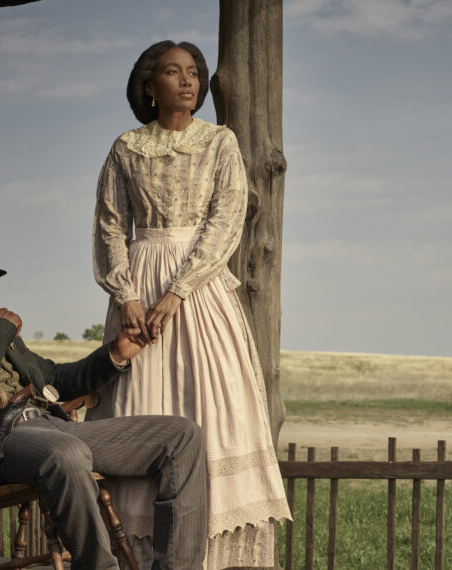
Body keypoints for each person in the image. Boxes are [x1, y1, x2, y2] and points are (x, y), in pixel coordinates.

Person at [0, 233, 207, 570]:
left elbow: (54, 378)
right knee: (67, 454)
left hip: (51, 428)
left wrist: (114, 354)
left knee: (182, 436)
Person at [89, 40, 291, 568]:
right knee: (138, 402)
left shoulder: (220, 142)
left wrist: (179, 290)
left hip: (198, 293)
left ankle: (208, 553)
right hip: (137, 291)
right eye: (173, 72)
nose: (187, 81)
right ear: (149, 86)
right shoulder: (126, 147)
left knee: (212, 403)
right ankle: (136, 550)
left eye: (194, 73)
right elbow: (111, 223)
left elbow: (226, 219)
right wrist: (126, 292)